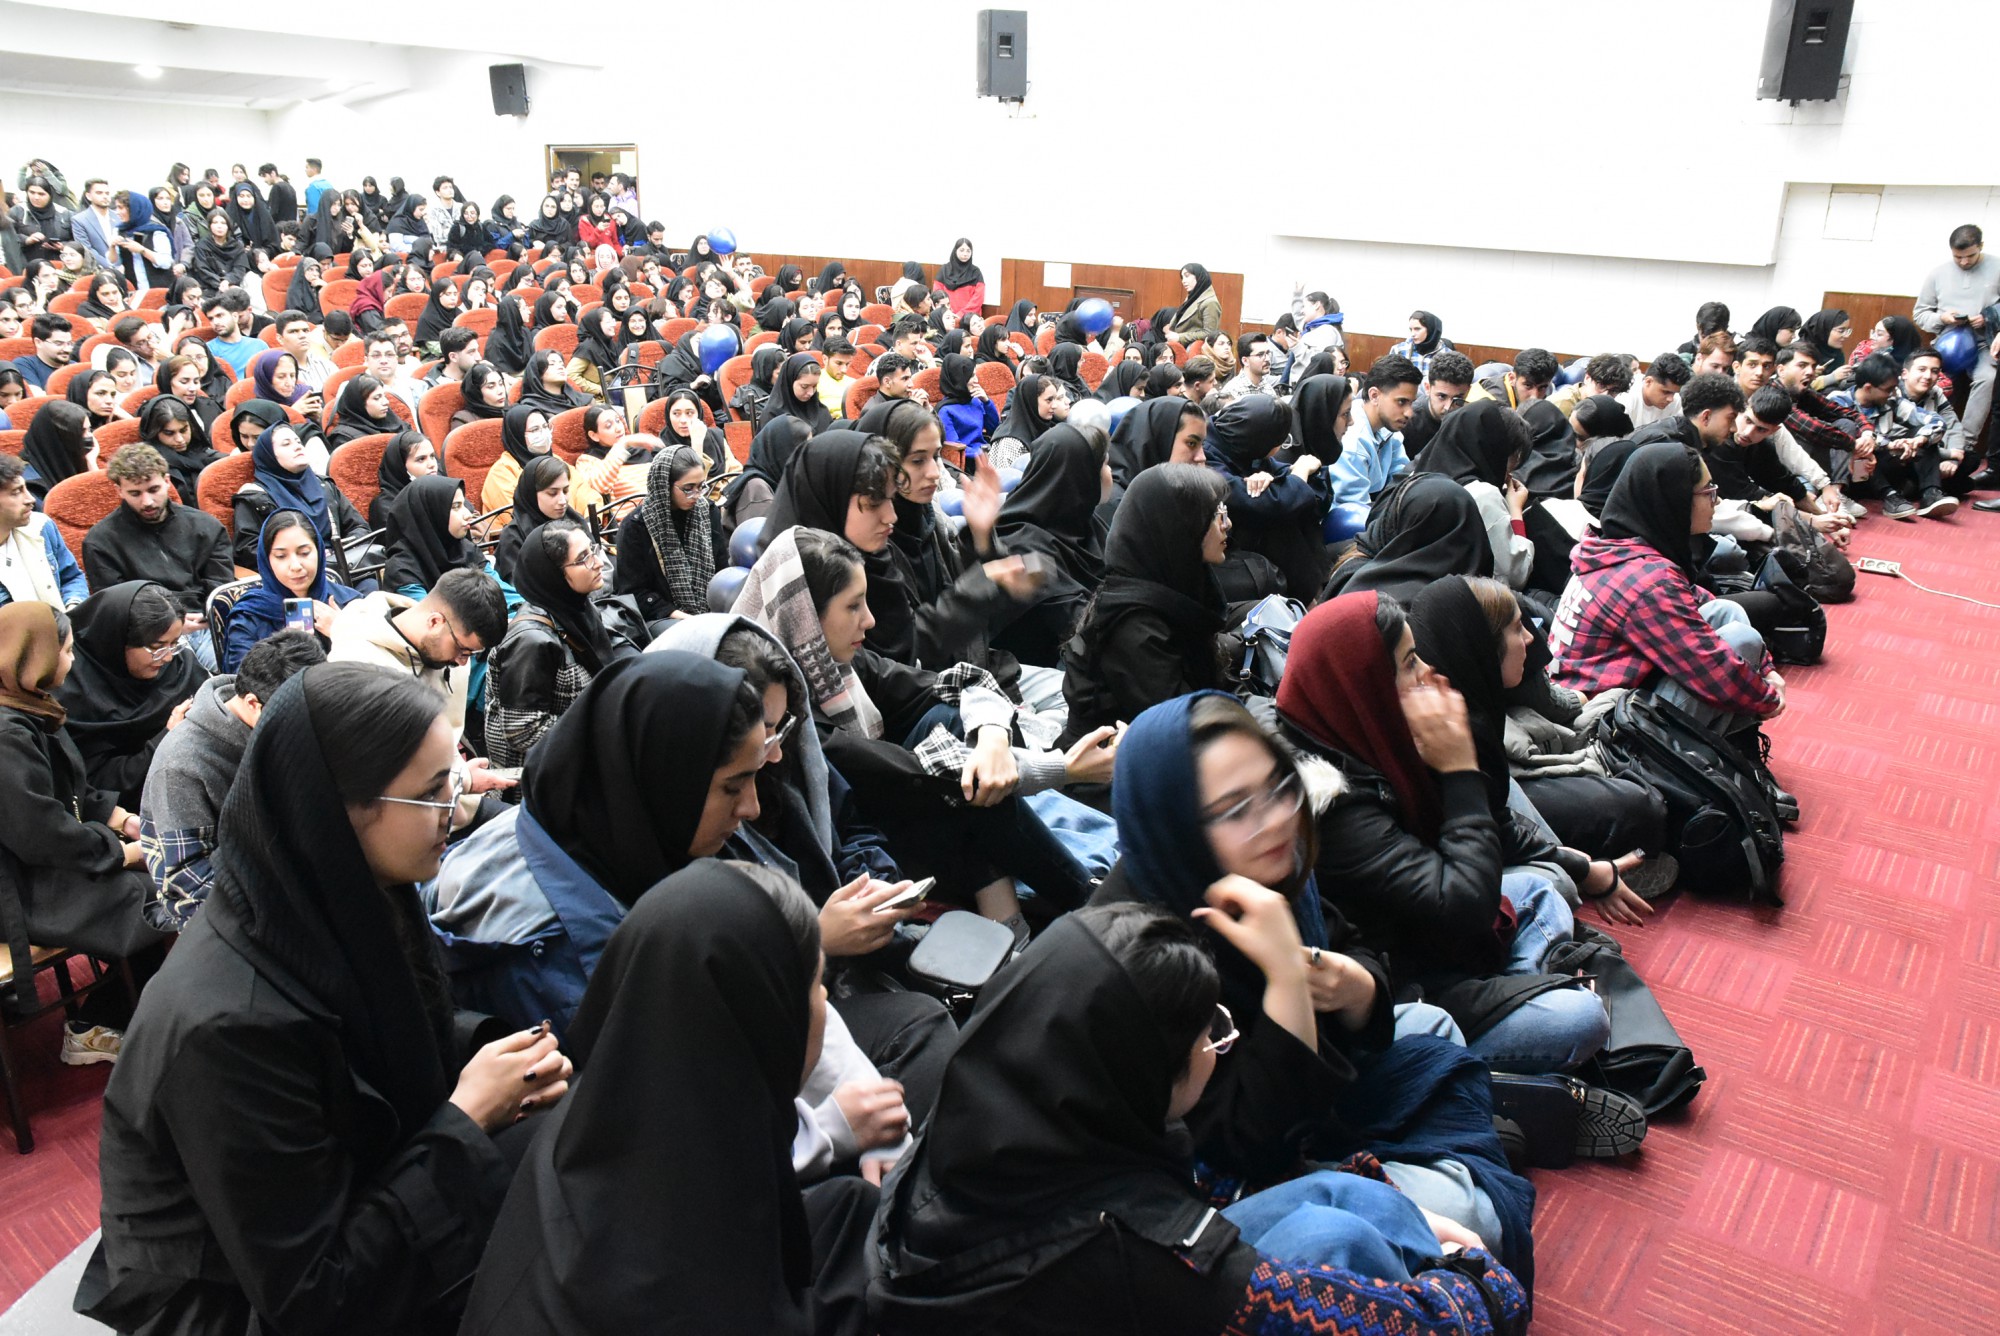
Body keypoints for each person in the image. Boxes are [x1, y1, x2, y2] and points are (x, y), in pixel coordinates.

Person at [79, 663, 574, 1334]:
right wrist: (465, 1118)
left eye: (454, 782)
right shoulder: (224, 1027)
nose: (454, 811)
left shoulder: (339, 894)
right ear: (337, 811)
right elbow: (314, 1295)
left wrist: (485, 1049)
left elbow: (373, 1031)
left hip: (333, 1214)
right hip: (235, 1302)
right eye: (433, 793)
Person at [868, 902, 1530, 1336]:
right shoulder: (1144, 1253)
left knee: (1353, 1197)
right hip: (1129, 1287)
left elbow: (1212, 1180)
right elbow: (1431, 1324)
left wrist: (1381, 1195)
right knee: (1344, 1236)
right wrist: (1471, 1273)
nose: (1220, 1045)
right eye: (1208, 1034)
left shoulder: (986, 1102)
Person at [1095, 692, 1541, 1244]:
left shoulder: (1269, 863)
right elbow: (1249, 1148)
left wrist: (1359, 990)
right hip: (1230, 1177)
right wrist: (1287, 985)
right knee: (1470, 1215)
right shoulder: (1141, 956)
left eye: (1279, 788)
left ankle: (1457, 1148)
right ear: (1173, 822)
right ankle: (1465, 1148)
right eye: (1233, 810)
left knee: (1435, 1025)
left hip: (1318, 1081)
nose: (1274, 819)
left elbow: (1354, 947)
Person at [459, 862, 884, 1336]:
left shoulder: (585, 1118)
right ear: (765, 1020)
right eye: (815, 986)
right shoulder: (701, 1297)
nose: (824, 1000)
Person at [1275, 592, 1628, 1086]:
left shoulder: (1361, 733)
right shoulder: (1333, 808)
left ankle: (1516, 1000)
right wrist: (1459, 770)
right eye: (1409, 663)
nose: (1428, 674)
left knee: (1540, 892)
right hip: (1402, 986)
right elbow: (1464, 905)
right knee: (1584, 1019)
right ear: (1365, 683)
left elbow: (1493, 832)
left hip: (1426, 937)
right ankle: (1489, 1069)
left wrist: (1581, 866)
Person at [739, 527, 1100, 930]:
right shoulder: (789, 721)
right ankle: (1085, 900)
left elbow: (959, 682)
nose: (870, 620)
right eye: (853, 606)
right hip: (856, 851)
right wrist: (1063, 769)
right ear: (804, 618)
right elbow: (919, 774)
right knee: (965, 794)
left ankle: (1021, 921)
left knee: (950, 723)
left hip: (896, 807)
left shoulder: (840, 667)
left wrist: (992, 737)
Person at [0, 601, 171, 1066]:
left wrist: (122, 819)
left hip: (40, 860)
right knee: (156, 894)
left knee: (161, 877)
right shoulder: (7, 734)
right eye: (67, 651)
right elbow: (42, 834)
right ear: (35, 656)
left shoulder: (28, 705)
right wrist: (123, 852)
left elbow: (68, 791)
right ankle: (94, 1025)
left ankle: (128, 1012)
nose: (73, 661)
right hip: (17, 885)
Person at [1416, 575, 1669, 884]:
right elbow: (1494, 829)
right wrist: (1578, 869)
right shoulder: (1456, 727)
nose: (1529, 638)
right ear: (1483, 645)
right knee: (1559, 885)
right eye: (1516, 628)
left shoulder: (1473, 698)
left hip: (1526, 745)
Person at [1551, 442, 1785, 737]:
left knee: (1726, 610)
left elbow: (1697, 600)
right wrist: (1767, 697)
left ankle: (1727, 746)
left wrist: (1765, 668)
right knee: (1740, 640)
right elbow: (1707, 663)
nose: (1716, 501)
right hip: (1600, 729)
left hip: (1605, 697)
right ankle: (1695, 757)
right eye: (1709, 491)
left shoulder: (1614, 545)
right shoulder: (1647, 580)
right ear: (1675, 498)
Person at [139, 629, 324, 930]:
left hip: (285, 869)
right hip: (225, 906)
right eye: (296, 716)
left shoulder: (276, 718)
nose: (305, 726)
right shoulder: (181, 766)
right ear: (252, 703)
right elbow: (188, 879)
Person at [1060, 464, 1232, 743]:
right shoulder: (1132, 625)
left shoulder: (1179, 586)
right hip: (1109, 763)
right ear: (1178, 527)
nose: (1227, 524)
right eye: (1213, 515)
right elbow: (1184, 729)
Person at [487, 521, 635, 767]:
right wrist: (603, 730)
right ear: (553, 574)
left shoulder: (576, 608)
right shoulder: (531, 641)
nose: (599, 562)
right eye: (583, 558)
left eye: (593, 550)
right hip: (542, 775)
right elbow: (522, 732)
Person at [83, 445, 232, 664]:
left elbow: (220, 585)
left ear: (167, 481)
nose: (147, 502)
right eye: (135, 493)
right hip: (151, 634)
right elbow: (118, 606)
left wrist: (209, 614)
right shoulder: (100, 541)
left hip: (206, 623)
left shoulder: (206, 526)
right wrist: (173, 625)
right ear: (119, 491)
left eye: (153, 489)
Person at [1208, 393, 1330, 598]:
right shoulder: (1207, 455)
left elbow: (1310, 491)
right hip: (1219, 552)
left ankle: (1316, 593)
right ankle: (1311, 598)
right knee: (1279, 522)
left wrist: (1285, 478)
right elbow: (1263, 502)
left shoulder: (1242, 442)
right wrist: (1301, 471)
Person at [1411, 401, 1536, 588]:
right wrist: (1515, 511)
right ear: (1496, 449)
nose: (1509, 474)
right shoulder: (1483, 495)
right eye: (1512, 461)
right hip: (1452, 594)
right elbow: (1515, 575)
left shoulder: (1414, 475)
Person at [221, 510, 364, 673]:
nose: (295, 566)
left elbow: (378, 673)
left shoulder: (351, 602)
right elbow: (245, 681)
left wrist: (343, 633)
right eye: (281, 556)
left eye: (304, 553)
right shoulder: (250, 616)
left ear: (319, 551)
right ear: (267, 560)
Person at [1914, 223, 2000, 478]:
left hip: (1984, 341)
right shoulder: (1937, 273)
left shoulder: (1997, 267)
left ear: (1981, 247)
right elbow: (1920, 314)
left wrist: (1988, 318)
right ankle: (1931, 440)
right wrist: (1942, 318)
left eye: (1970, 256)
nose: (1964, 262)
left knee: (1988, 378)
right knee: (1931, 381)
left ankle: (1966, 445)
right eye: (1957, 257)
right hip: (1947, 341)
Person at [1831, 352, 1957, 520]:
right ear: (1868, 388)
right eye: (1888, 390)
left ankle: (1930, 494)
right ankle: (1890, 495)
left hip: (1883, 463)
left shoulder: (1891, 400)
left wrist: (1919, 439)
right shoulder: (1838, 400)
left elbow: (1935, 421)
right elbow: (1853, 436)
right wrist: (1889, 444)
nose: (1893, 393)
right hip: (1848, 470)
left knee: (1924, 434)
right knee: (1863, 447)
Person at [232, 422, 368, 573]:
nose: (297, 447)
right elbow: (248, 550)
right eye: (286, 444)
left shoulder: (324, 485)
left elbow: (359, 527)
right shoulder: (255, 497)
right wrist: (306, 558)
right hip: (293, 574)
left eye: (298, 442)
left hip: (343, 565)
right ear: (269, 456)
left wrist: (340, 551)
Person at [614, 447, 729, 623]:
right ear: (664, 486)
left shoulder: (707, 511)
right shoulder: (636, 526)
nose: (696, 495)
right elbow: (634, 593)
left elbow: (722, 569)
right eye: (688, 489)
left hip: (711, 610)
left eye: (701, 487)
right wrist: (686, 619)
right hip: (661, 616)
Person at [0, 453, 89, 609]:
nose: (31, 499)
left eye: (26, 489)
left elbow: (71, 577)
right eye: (17, 492)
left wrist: (73, 604)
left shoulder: (41, 526)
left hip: (64, 619)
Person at [1330, 354, 1420, 508]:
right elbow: (1355, 511)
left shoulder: (1389, 430)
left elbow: (1402, 480)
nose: (1409, 413)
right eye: (1401, 402)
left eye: (1411, 403)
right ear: (1374, 396)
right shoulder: (1353, 443)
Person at [384, 474, 489, 597]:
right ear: (431, 514)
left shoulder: (467, 549)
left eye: (463, 505)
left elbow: (503, 596)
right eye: (456, 507)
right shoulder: (403, 569)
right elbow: (425, 609)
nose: (468, 514)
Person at [492, 455, 580, 583]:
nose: (562, 501)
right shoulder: (515, 536)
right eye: (552, 493)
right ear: (532, 494)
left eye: (565, 491)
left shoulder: (575, 521)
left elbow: (601, 570)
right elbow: (519, 587)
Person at [987, 373, 1067, 468]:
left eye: (1054, 399)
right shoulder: (1010, 442)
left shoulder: (1048, 429)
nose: (1054, 405)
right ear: (1032, 401)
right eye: (1049, 400)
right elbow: (1007, 476)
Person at [371, 430, 436, 531]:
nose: (432, 464)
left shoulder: (444, 489)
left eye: (432, 456)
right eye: (421, 459)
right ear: (400, 466)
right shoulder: (387, 507)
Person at [11, 311, 74, 391]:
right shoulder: (25, 365)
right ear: (38, 342)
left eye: (69, 343)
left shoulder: (74, 367)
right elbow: (37, 396)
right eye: (59, 343)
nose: (67, 349)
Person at [1390, 310, 1455, 380]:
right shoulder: (1399, 350)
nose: (1412, 334)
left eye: (1417, 329)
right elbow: (1389, 378)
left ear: (1430, 329)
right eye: (1411, 329)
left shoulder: (1447, 354)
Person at [934, 236, 985, 317]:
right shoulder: (944, 270)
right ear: (955, 251)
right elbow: (937, 294)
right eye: (962, 250)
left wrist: (961, 314)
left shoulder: (975, 272)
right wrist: (948, 313)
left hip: (969, 318)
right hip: (947, 316)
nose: (965, 254)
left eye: (968, 251)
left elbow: (978, 299)